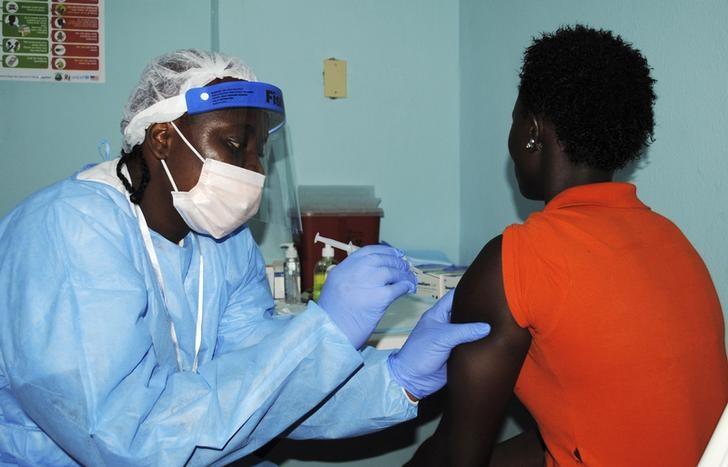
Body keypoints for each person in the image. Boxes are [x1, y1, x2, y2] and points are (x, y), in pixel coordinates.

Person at [0, 49, 490, 466]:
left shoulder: (223, 243)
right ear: (162, 139)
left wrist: (396, 380)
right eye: (235, 146)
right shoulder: (70, 232)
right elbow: (123, 438)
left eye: (260, 154)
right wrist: (324, 329)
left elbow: (267, 384)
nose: (253, 171)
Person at [407, 25, 728, 466]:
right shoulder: (673, 243)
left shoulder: (517, 261)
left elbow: (456, 456)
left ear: (532, 132)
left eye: (516, 118)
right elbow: (583, 433)